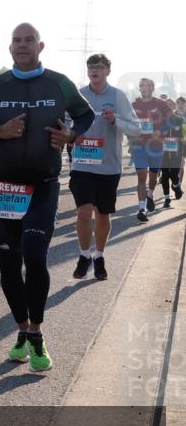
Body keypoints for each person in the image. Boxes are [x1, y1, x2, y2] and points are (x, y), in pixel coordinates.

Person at [0, 23, 94, 372]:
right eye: (17, 41)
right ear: (10, 49)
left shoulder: (59, 82)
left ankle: (36, 331)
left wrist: (72, 134)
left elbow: (85, 114)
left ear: (40, 45)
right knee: (8, 264)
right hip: (4, 188)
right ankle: (23, 330)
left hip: (43, 184)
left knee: (35, 256)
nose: (22, 46)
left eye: (28, 40)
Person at [69, 54, 140, 281]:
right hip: (82, 164)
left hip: (108, 166)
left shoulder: (118, 97)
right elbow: (66, 122)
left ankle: (98, 256)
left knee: (102, 214)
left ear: (108, 71)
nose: (94, 71)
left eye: (99, 67)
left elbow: (136, 129)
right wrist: (71, 135)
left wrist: (115, 120)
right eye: (90, 67)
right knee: (83, 211)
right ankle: (83, 255)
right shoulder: (78, 96)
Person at [131, 78, 173, 222]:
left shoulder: (161, 104)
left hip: (156, 146)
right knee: (141, 176)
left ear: (153, 88)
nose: (145, 88)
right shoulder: (134, 104)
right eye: (142, 85)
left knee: (153, 177)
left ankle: (150, 193)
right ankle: (142, 208)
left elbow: (171, 121)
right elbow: (127, 122)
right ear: (139, 88)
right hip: (139, 145)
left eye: (148, 85)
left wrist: (160, 131)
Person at [160, 96, 185, 209]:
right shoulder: (159, 120)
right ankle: (166, 198)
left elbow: (185, 134)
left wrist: (181, 139)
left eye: (170, 105)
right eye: (166, 106)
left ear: (174, 107)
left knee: (174, 174)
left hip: (176, 151)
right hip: (163, 152)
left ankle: (176, 185)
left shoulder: (180, 119)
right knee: (165, 175)